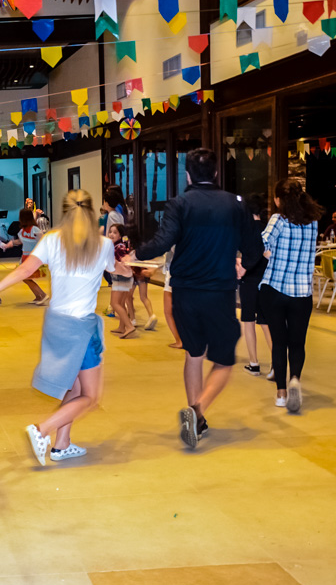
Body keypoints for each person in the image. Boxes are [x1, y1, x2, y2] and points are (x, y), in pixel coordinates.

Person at [127, 148, 263, 449]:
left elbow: (162, 242)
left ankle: (197, 420)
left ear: (188, 175)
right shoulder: (235, 204)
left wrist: (136, 253)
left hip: (184, 292)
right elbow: (255, 246)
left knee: (194, 354)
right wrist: (243, 265)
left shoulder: (179, 204)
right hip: (219, 292)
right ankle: (197, 410)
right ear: (216, 172)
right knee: (224, 361)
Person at [0, 190, 116, 465]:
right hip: (80, 329)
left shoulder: (52, 240)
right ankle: (42, 430)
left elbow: (23, 270)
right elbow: (115, 270)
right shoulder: (103, 245)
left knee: (74, 389)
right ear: (91, 212)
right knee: (90, 396)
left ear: (65, 212)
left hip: (56, 326)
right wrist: (132, 266)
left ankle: (61, 445)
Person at [259, 179, 324, 413]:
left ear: (279, 200)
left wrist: (268, 252)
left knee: (279, 342)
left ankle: (281, 393)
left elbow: (262, 243)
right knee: (297, 343)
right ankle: (295, 379)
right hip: (302, 293)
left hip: (275, 289)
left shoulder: (278, 219)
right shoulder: (313, 222)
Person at [238, 195, 272, 377]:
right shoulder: (268, 228)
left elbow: (244, 255)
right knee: (266, 323)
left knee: (248, 321)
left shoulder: (246, 230)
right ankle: (276, 363)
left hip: (249, 280)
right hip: (266, 282)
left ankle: (254, 363)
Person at [107, 224, 137, 339]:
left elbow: (122, 260)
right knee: (121, 303)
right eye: (110, 232)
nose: (111, 234)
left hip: (120, 277)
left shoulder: (118, 247)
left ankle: (129, 326)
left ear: (120, 235)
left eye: (115, 232)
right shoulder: (121, 245)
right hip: (126, 277)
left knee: (115, 303)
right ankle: (122, 327)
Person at [16, 208, 48, 305]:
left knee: (26, 277)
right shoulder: (23, 230)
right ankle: (38, 296)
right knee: (25, 278)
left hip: (32, 258)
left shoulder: (34, 229)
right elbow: (23, 243)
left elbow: (42, 242)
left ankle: (42, 295)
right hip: (25, 257)